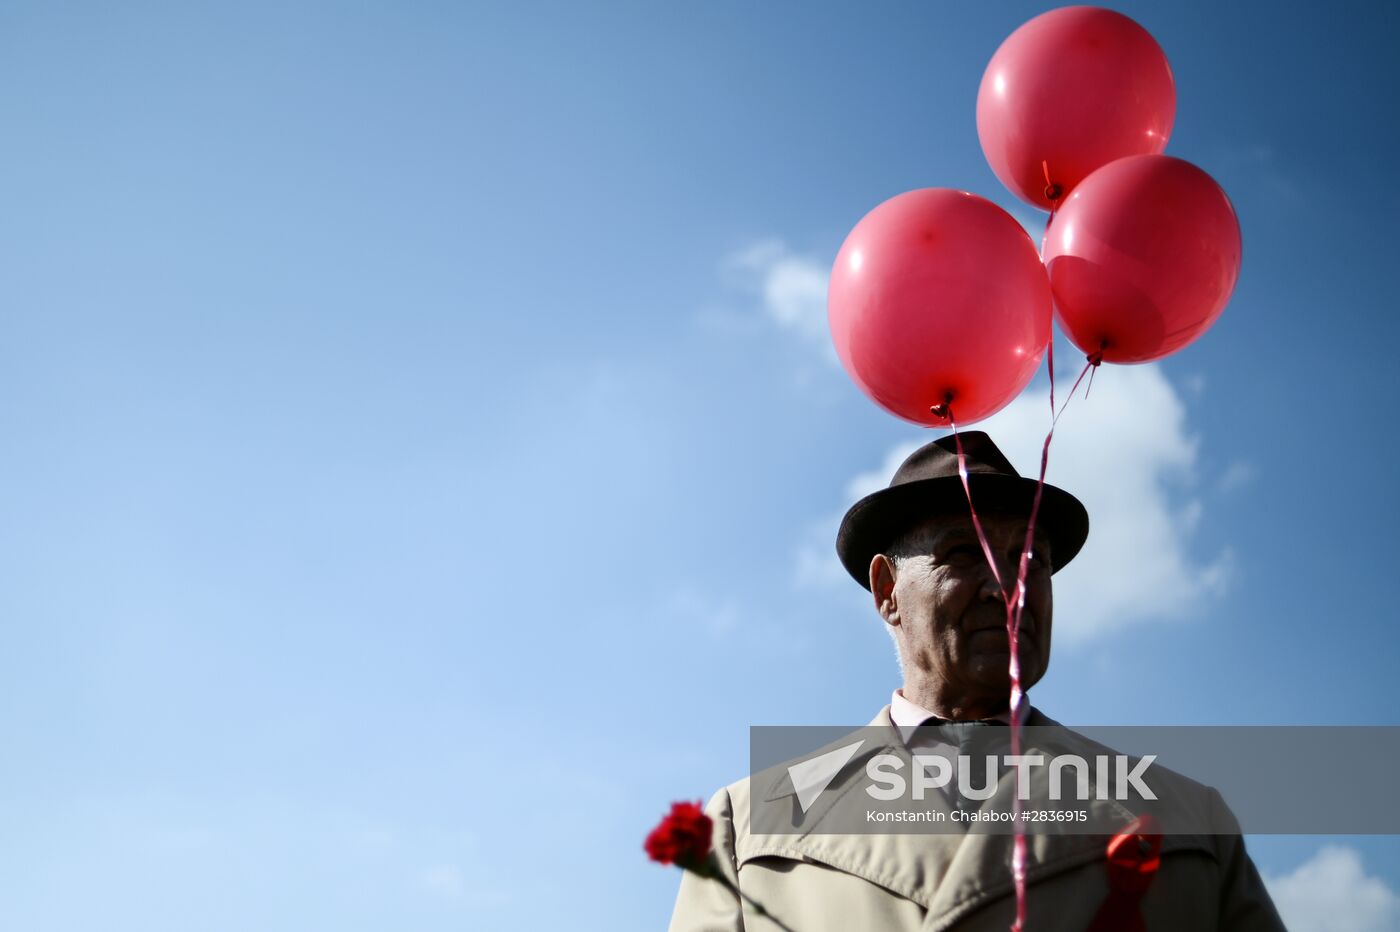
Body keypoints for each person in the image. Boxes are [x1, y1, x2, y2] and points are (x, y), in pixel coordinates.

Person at [668, 432, 1284, 931]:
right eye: (963, 553)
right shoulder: (748, 827)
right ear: (888, 592)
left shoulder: (1189, 823)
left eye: (1029, 560)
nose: (1006, 586)